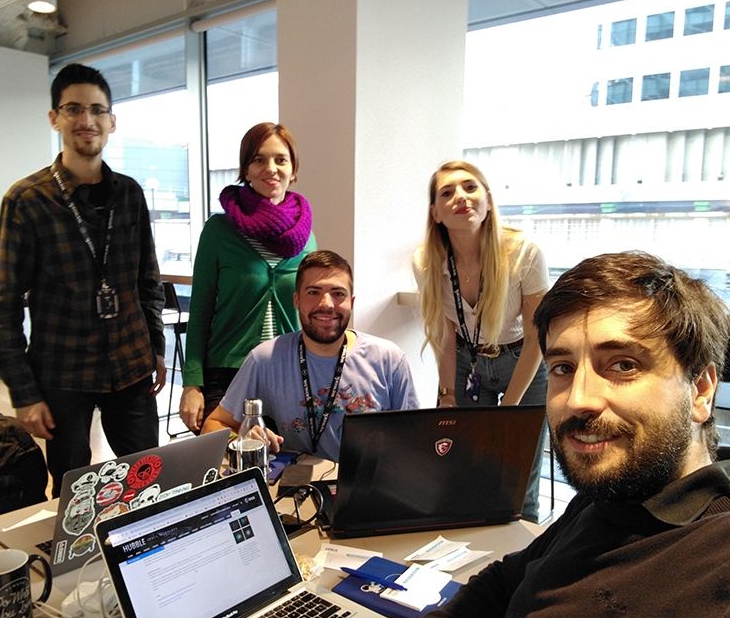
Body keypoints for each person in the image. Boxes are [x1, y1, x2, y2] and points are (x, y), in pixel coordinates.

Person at [392, 251, 730, 618]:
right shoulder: (614, 494)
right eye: (563, 368)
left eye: (622, 365)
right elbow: (502, 589)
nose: (578, 400)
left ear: (701, 390)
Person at [0, 63, 166, 496]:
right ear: (55, 118)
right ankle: (77, 563)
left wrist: (156, 348)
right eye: (73, 109)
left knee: (147, 478)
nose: (86, 120)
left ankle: (145, 559)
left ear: (111, 121)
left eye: (96, 110)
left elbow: (148, 280)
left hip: (130, 365)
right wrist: (24, 392)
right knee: (73, 486)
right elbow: (6, 306)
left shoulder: (130, 193)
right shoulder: (27, 200)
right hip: (62, 371)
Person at [413, 160, 549, 521]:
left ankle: (525, 559)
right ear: (436, 213)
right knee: (471, 466)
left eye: (470, 187)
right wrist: (446, 395)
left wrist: (509, 411)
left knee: (520, 474)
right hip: (467, 360)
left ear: (488, 201)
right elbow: (445, 332)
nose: (460, 196)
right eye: (447, 192)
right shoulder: (427, 261)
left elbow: (538, 337)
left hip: (522, 358)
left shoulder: (524, 252)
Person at [201, 250, 418, 461]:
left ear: (351, 302)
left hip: (370, 485)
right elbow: (213, 425)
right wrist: (242, 440)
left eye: (338, 293)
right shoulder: (266, 359)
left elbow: (414, 438)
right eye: (313, 292)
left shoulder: (389, 359)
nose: (326, 304)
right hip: (301, 486)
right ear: (296, 300)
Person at [179, 122, 316, 433]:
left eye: (281, 159)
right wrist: (192, 384)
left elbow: (311, 308)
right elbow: (200, 309)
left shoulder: (306, 236)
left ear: (293, 169)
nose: (271, 168)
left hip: (288, 372)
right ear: (246, 169)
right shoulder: (219, 230)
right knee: (228, 466)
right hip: (228, 372)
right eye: (259, 160)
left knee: (286, 465)